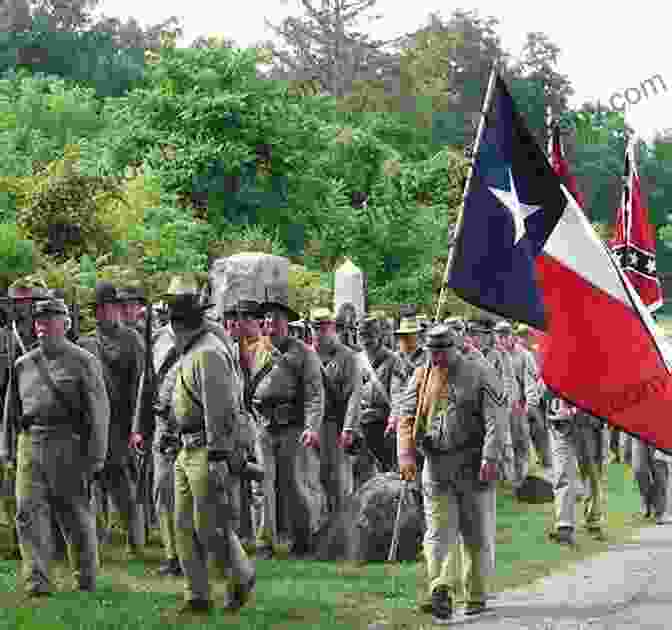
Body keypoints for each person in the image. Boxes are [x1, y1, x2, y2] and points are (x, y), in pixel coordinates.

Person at [1, 295, 110, 597]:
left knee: (74, 514)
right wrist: (6, 448)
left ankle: (85, 578)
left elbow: (99, 412)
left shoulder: (83, 362)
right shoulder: (23, 364)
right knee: (27, 513)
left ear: (65, 324)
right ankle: (37, 581)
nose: (43, 326)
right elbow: (11, 410)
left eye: (50, 320)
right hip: (29, 443)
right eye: (39, 321)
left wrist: (96, 457)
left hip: (67, 446)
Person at [396, 325, 506, 623]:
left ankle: (476, 594)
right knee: (438, 531)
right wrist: (406, 454)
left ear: (454, 347)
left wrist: (490, 456)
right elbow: (405, 417)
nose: (437, 358)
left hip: (472, 464)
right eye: (432, 352)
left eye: (443, 351)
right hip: (436, 465)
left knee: (474, 533)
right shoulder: (421, 376)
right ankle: (440, 588)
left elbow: (496, 419)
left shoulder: (480, 372)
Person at [167, 276, 256, 614]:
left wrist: (218, 456)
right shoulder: (194, 350)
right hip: (187, 447)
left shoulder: (207, 354)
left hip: (206, 450)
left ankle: (240, 575)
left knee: (211, 526)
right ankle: (197, 594)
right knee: (183, 525)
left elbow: (220, 411)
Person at [252, 290, 324, 559]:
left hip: (293, 427)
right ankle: (264, 541)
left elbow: (315, 393)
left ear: (287, 323)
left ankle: (303, 539)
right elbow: (245, 388)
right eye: (267, 319)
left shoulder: (303, 353)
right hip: (263, 426)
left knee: (296, 485)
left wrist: (311, 427)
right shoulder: (255, 351)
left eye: (276, 319)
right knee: (262, 484)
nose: (270, 323)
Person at [78, 281, 145, 559]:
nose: (107, 312)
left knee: (121, 486)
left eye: (112, 307)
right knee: (89, 487)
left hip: (120, 423)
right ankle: (93, 540)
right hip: (92, 425)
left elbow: (140, 387)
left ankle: (135, 540)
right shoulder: (85, 343)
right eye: (102, 308)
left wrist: (136, 428)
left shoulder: (132, 341)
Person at [310, 307, 362, 515]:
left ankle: (343, 528)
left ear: (332, 328)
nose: (319, 332)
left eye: (323, 327)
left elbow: (354, 395)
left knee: (339, 481)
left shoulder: (347, 357)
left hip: (336, 425)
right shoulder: (306, 355)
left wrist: (349, 428)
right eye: (315, 328)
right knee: (313, 480)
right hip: (310, 427)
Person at [545, 391, 608, 544]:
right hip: (558, 422)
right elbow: (544, 385)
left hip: (587, 421)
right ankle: (564, 527)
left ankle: (593, 521)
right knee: (562, 473)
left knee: (591, 473)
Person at [357, 316, 405, 474]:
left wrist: (393, 419)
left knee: (387, 473)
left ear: (379, 336)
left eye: (369, 335)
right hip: (361, 424)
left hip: (384, 424)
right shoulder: (357, 360)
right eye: (362, 335)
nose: (365, 340)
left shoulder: (393, 360)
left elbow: (397, 393)